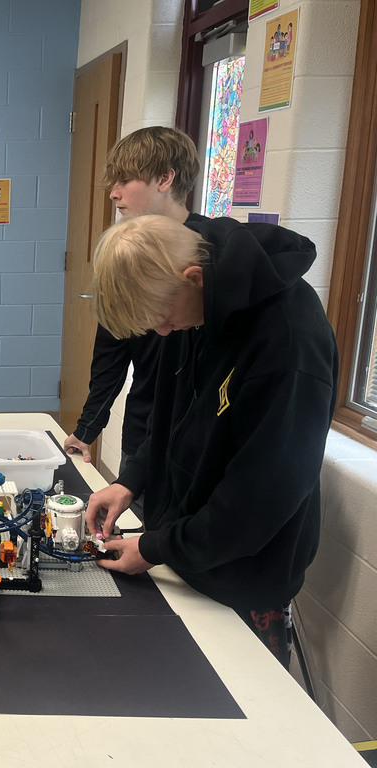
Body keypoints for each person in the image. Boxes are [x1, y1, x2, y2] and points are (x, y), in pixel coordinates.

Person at [84, 213, 337, 667]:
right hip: (180, 555)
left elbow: (257, 505)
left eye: (162, 319)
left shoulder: (289, 341)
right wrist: (131, 480)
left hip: (243, 579)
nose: (162, 332)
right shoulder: (195, 307)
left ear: (193, 277)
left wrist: (153, 548)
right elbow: (169, 418)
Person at [63, 126, 206, 521]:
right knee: (134, 533)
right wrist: (87, 428)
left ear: (165, 179)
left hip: (199, 440)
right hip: (145, 430)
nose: (113, 192)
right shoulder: (122, 253)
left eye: (124, 180)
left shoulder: (211, 256)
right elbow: (111, 354)